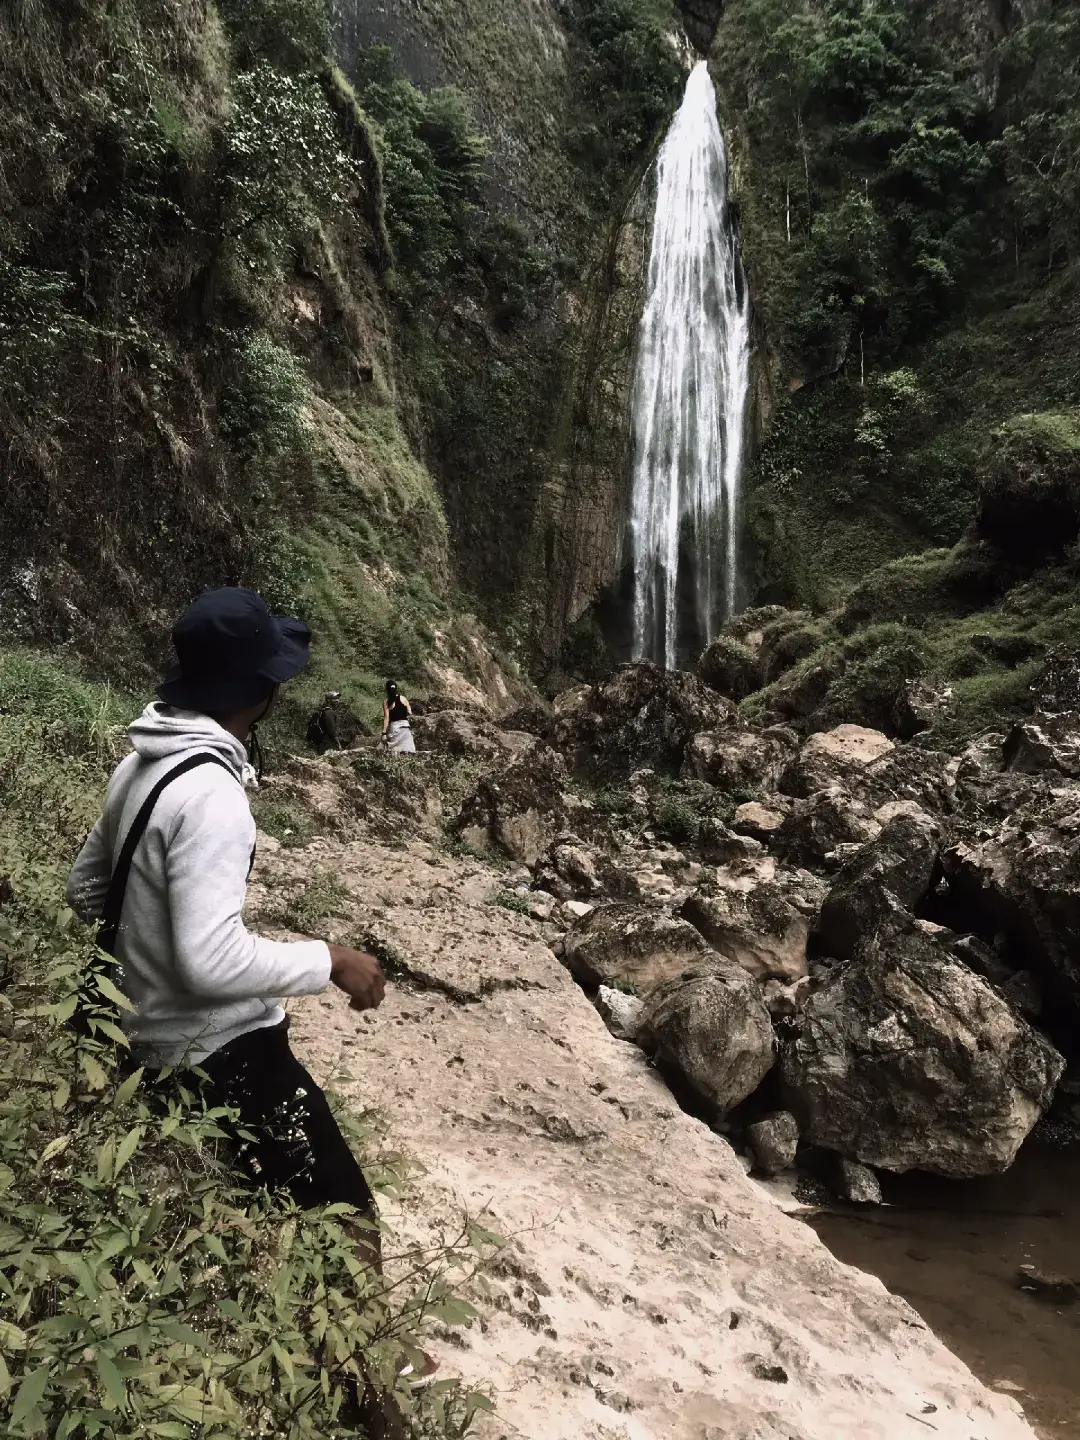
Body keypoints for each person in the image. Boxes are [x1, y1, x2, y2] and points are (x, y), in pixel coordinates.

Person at [66, 586, 391, 1246]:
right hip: (222, 1055)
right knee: (342, 1215)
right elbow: (209, 960)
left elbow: (86, 889)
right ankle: (371, 1352)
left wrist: (150, 965)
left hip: (136, 1035)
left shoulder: (140, 764)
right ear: (259, 691)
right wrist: (328, 959)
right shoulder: (212, 796)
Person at [381, 680, 415, 754]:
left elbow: (386, 718)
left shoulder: (386, 702)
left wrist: (384, 734)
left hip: (394, 729)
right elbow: (410, 713)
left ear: (387, 690)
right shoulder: (403, 699)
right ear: (396, 689)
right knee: (408, 752)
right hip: (405, 729)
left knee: (392, 752)